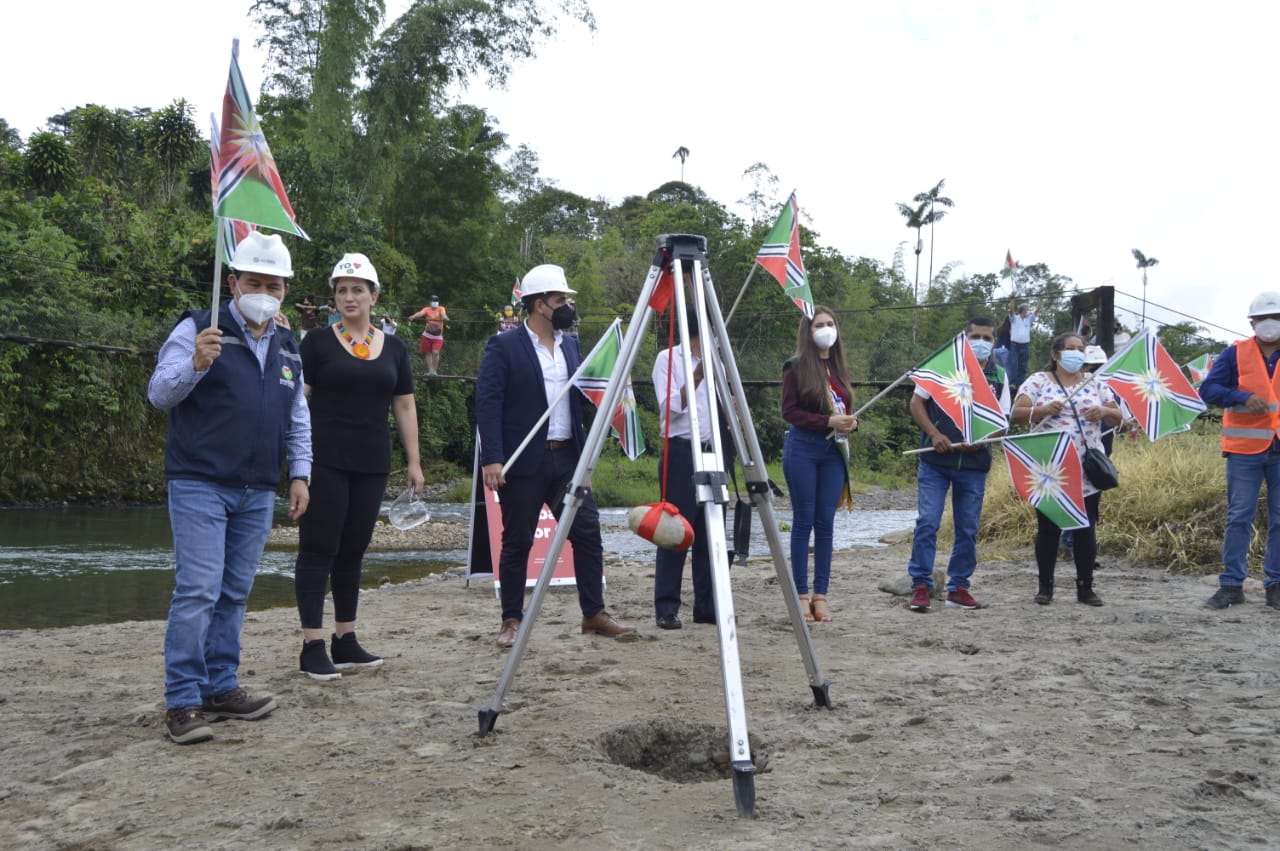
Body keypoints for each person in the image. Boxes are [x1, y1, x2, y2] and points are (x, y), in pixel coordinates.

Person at [146, 230, 311, 745]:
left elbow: (297, 417)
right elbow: (159, 393)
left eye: (273, 285)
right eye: (254, 282)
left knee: (234, 592)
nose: (263, 292)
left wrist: (300, 473)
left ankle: (220, 686)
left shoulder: (287, 344)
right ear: (233, 282)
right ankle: (183, 700)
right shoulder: (199, 328)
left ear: (285, 290)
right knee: (198, 590)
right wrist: (196, 363)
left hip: (258, 487)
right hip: (199, 480)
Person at [475, 263, 635, 647]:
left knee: (587, 532)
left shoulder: (572, 345)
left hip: (567, 460)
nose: (567, 307)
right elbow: (488, 402)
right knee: (518, 542)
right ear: (539, 304)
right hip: (523, 463)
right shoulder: (504, 346)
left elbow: (580, 396)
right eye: (560, 299)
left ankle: (593, 613)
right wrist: (492, 458)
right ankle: (511, 620)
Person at [294, 253, 424, 680]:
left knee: (353, 550)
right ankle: (313, 644)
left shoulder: (395, 348)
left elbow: (404, 405)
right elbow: (297, 400)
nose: (349, 297)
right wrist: (293, 459)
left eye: (357, 290)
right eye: (342, 291)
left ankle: (345, 639)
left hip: (372, 462)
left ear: (374, 296)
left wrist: (414, 461)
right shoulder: (316, 342)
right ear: (334, 298)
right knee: (319, 548)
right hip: (324, 460)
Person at [1012, 332, 1122, 607]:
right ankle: (1045, 587)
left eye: (1080, 349)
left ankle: (1086, 587)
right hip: (1050, 467)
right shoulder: (1038, 381)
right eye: (1070, 348)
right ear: (1056, 354)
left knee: (1086, 526)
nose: (1076, 353)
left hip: (1087, 466)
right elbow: (1016, 414)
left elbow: (1119, 415)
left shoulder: (1095, 382)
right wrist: (1043, 409)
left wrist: (1104, 412)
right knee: (1049, 527)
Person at [907, 316, 1009, 613]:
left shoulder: (1000, 375)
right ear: (965, 339)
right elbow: (916, 403)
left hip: (975, 464)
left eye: (988, 338)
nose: (982, 343)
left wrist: (982, 439)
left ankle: (958, 588)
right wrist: (934, 433)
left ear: (995, 342)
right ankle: (921, 586)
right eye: (976, 337)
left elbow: (1002, 421)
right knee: (928, 521)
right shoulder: (943, 366)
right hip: (935, 461)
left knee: (968, 528)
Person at [1197, 291, 1280, 610]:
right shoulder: (1235, 353)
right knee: (1239, 517)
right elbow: (1209, 389)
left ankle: (1275, 585)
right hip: (1245, 449)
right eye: (1263, 318)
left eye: (1275, 318)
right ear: (1252, 323)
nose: (1269, 323)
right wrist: (1241, 397)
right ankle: (1231, 585)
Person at [781, 306, 857, 623]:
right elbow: (789, 412)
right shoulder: (795, 367)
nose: (826, 329)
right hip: (803, 448)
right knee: (804, 521)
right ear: (808, 332)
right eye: (818, 325)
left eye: (830, 323)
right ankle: (800, 595)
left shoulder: (839, 370)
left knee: (825, 523)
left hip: (833, 453)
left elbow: (845, 411)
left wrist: (851, 423)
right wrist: (826, 420)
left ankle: (820, 595)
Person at [650, 309, 715, 629]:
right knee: (675, 531)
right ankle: (666, 607)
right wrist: (698, 376)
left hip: (711, 451)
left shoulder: (716, 361)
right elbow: (670, 408)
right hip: (680, 451)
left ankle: (707, 606)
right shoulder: (668, 359)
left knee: (710, 532)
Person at [1007, 295, 1042, 395]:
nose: (1028, 311)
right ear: (1022, 310)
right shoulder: (1014, 319)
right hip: (1014, 344)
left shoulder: (1029, 319)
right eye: (1026, 309)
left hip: (1025, 345)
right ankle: (1012, 382)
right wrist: (1012, 300)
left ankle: (1019, 383)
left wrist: (1040, 300)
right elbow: (1011, 311)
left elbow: (1037, 311)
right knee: (1013, 363)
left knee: (1023, 365)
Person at [409, 295, 448, 375]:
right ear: (430, 302)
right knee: (428, 352)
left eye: (436, 301)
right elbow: (420, 313)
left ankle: (434, 371)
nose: (435, 303)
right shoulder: (426, 309)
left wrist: (445, 318)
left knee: (435, 352)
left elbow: (443, 314)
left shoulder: (441, 308)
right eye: (433, 301)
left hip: (437, 336)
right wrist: (413, 316)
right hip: (427, 335)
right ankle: (430, 371)